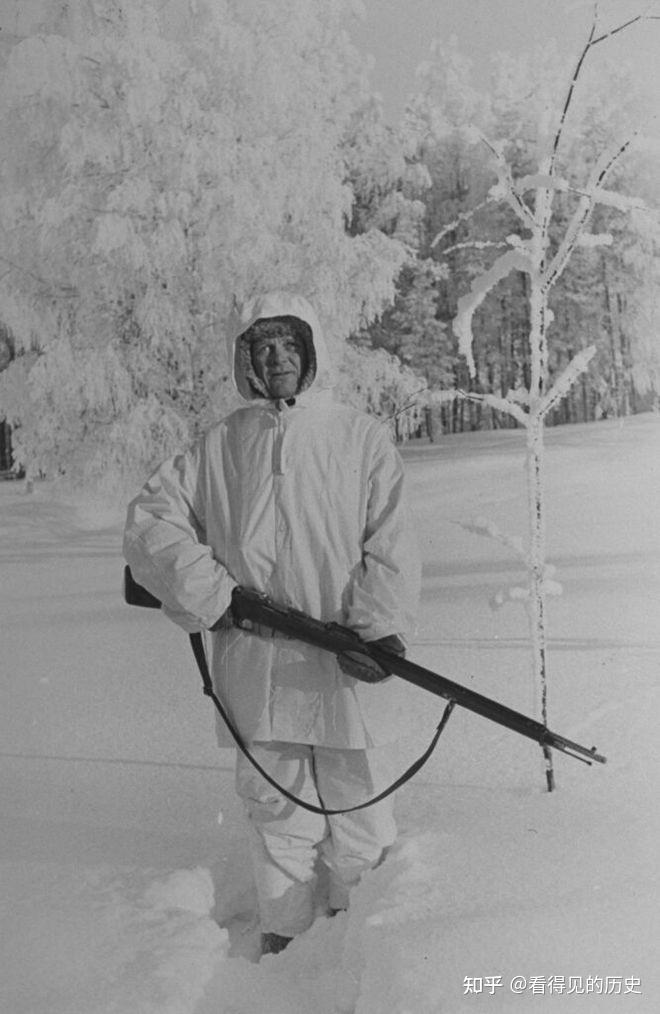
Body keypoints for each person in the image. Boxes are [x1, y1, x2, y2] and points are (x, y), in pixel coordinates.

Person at [123, 292, 420, 956]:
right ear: (245, 359)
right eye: (262, 347)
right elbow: (150, 522)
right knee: (277, 815)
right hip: (253, 664)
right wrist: (213, 594)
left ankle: (359, 948)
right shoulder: (220, 445)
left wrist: (379, 630)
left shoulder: (358, 436)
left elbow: (392, 541)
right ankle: (286, 939)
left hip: (341, 665)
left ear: (311, 351)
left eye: (288, 345)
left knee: (359, 812)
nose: (277, 358)